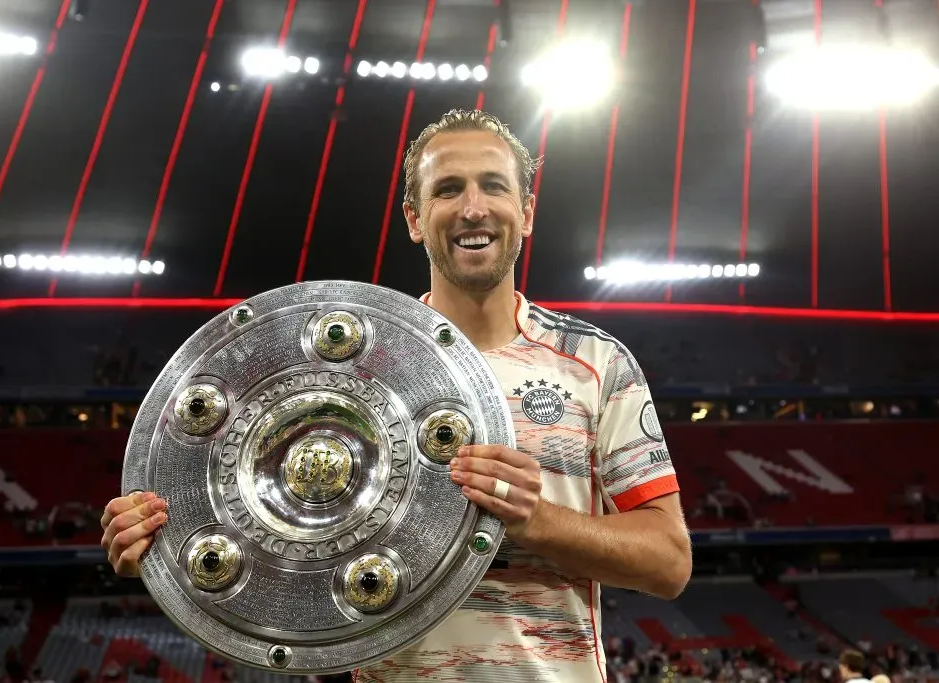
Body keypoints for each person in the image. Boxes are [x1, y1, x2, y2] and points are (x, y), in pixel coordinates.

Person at [101, 109, 692, 682]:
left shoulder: (593, 363)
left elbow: (669, 562)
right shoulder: (355, 371)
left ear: (527, 211)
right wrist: (160, 539)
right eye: (447, 190)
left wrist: (539, 523)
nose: (473, 208)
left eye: (493, 186)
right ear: (413, 218)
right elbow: (264, 517)